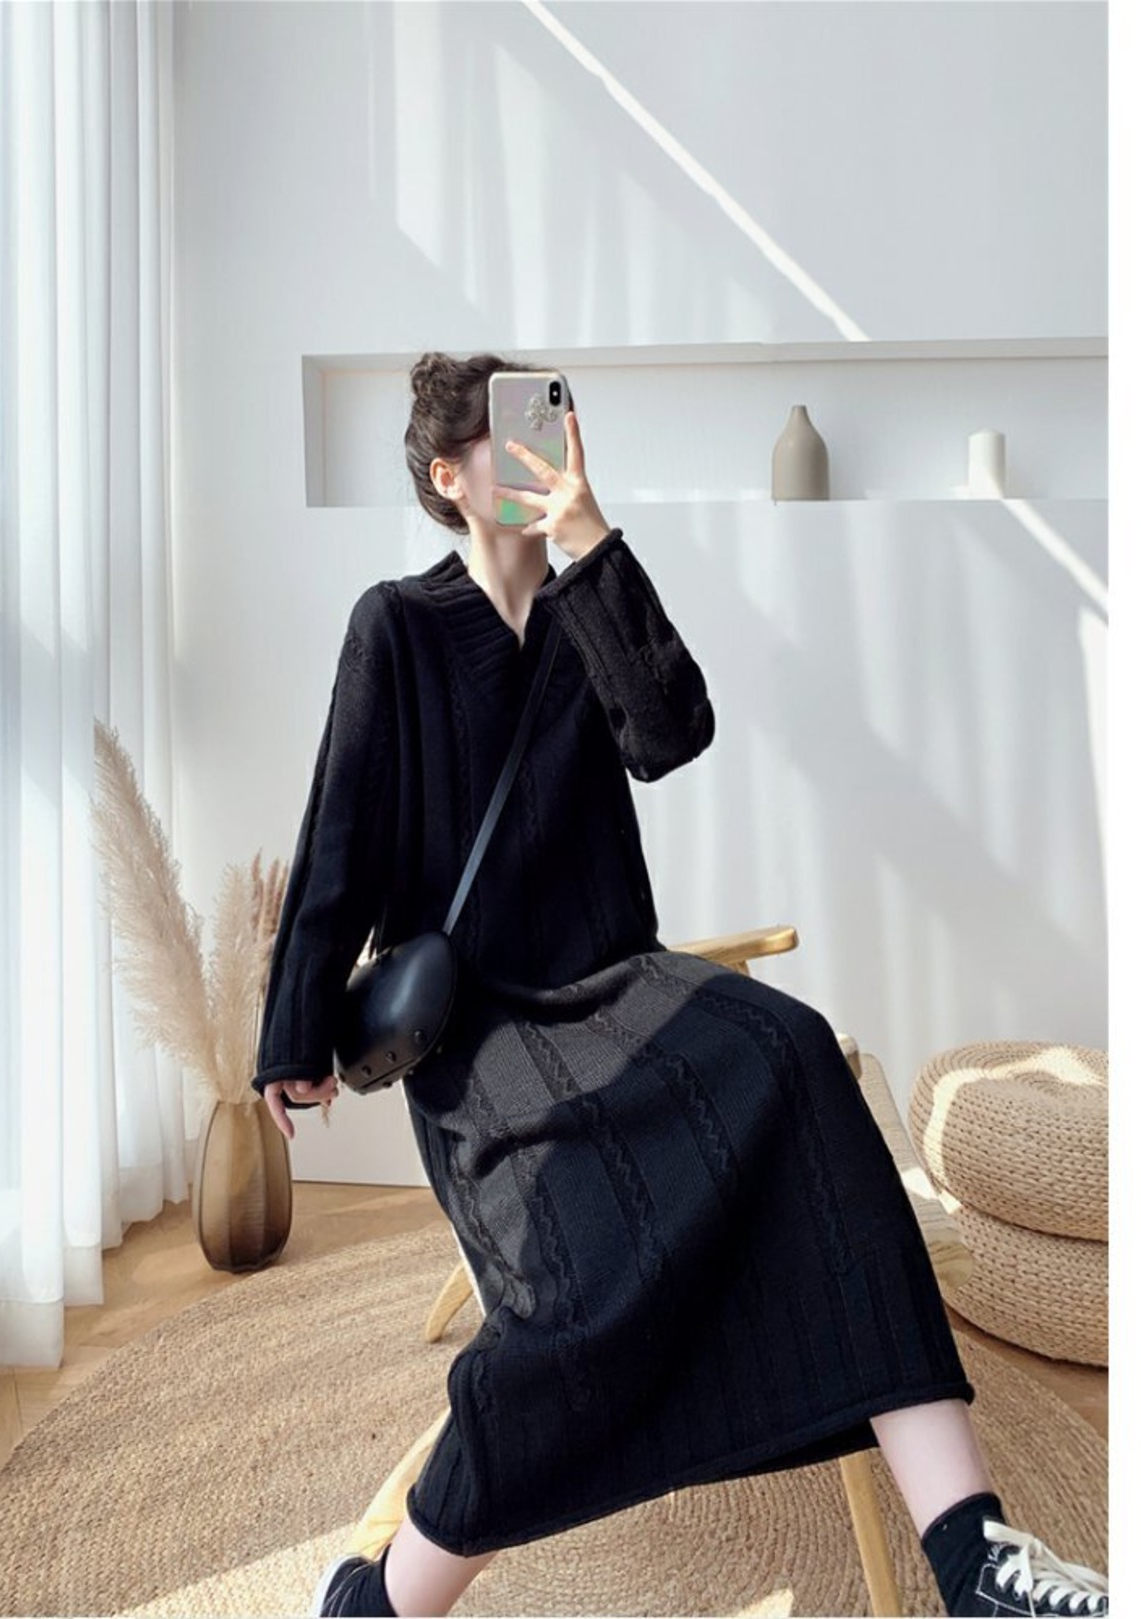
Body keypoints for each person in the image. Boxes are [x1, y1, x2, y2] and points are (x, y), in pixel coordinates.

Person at [251, 352, 1110, 1619]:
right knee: (568, 1276)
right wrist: (292, 1034)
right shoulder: (395, 624)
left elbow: (669, 733)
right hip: (481, 1032)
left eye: (551, 422)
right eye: (506, 436)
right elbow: (339, 838)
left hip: (620, 982)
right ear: (448, 477)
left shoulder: (586, 593)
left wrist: (590, 542)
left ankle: (971, 1553)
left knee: (795, 1051)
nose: (542, 450)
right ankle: (384, 1597)